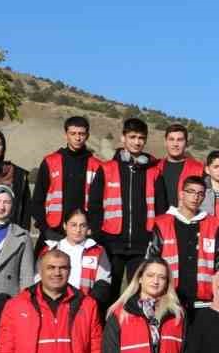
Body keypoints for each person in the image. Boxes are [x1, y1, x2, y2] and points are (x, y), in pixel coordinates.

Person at [147, 177, 219, 314]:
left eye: (200, 194)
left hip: (203, 300)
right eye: (191, 192)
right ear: (181, 194)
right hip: (168, 297)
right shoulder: (162, 223)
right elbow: (151, 261)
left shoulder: (213, 225)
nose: (195, 197)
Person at [98, 117, 162, 290]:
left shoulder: (154, 172)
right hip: (111, 244)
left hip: (142, 245)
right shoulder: (106, 169)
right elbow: (95, 207)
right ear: (123, 138)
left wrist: (155, 239)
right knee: (107, 292)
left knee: (138, 294)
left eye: (141, 138)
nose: (137, 142)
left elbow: (161, 210)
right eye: (132, 137)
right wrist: (99, 238)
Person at [32, 116, 105, 239]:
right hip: (54, 232)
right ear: (66, 135)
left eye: (81, 134)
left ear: (87, 135)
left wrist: (94, 230)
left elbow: (102, 204)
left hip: (85, 233)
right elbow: (37, 201)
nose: (77, 138)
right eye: (73, 133)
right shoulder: (50, 162)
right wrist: (45, 229)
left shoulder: (97, 166)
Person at [36, 208, 113, 306]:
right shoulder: (50, 249)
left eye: (83, 225)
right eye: (73, 225)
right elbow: (38, 278)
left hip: (85, 307)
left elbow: (103, 281)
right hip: (52, 305)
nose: (78, 230)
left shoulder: (97, 251)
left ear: (88, 228)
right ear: (65, 225)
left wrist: (89, 303)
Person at [154, 123, 206, 212]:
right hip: (158, 221)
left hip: (186, 222)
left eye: (180, 140)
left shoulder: (199, 169)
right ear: (165, 142)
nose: (175, 144)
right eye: (171, 139)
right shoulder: (154, 167)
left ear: (186, 143)